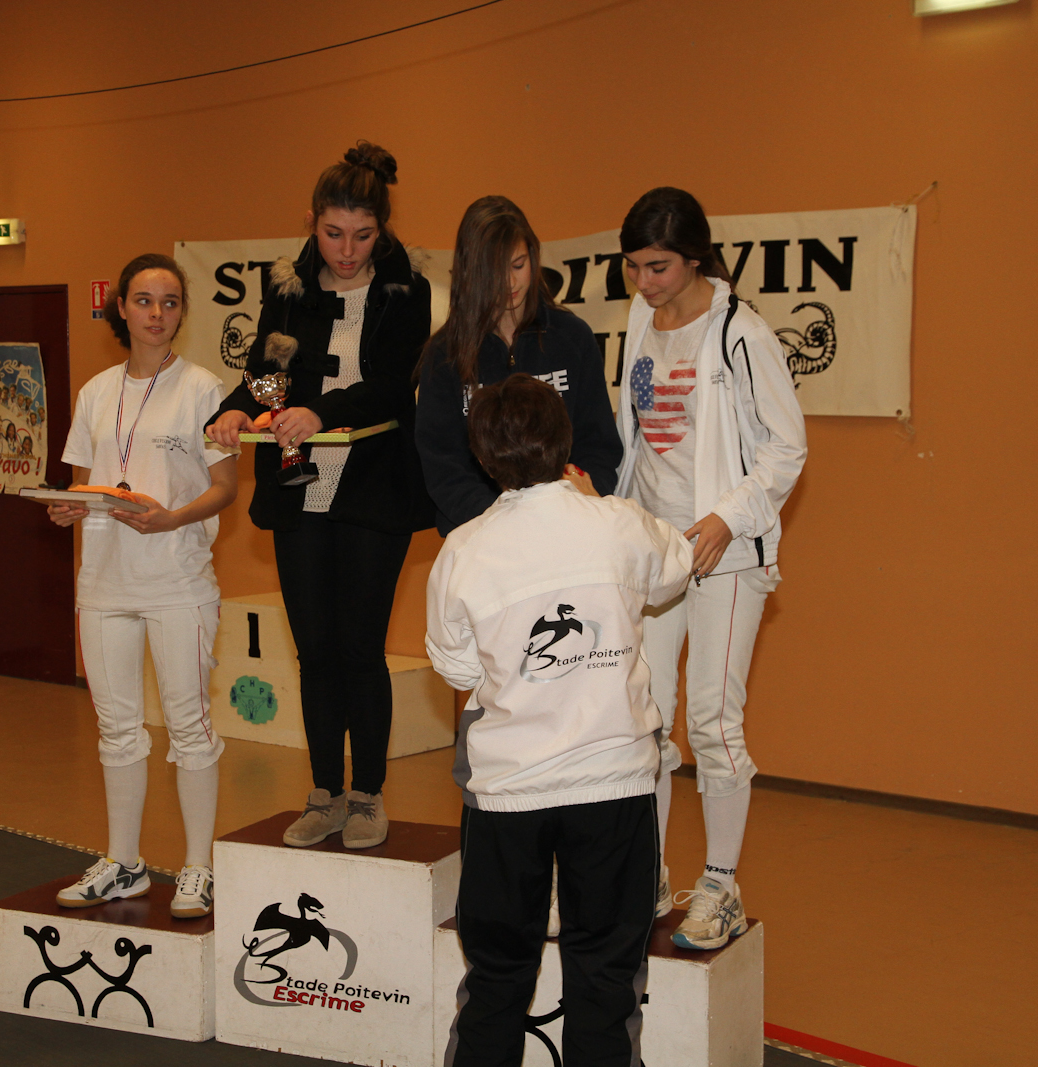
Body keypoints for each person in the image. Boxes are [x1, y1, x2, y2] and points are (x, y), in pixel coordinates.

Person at [425, 374, 692, 1067]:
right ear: (566, 441)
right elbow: (676, 567)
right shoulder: (618, 523)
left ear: (482, 456)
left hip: (508, 792)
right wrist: (593, 505)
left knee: (497, 975)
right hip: (613, 786)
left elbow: (456, 667)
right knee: (606, 974)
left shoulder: (463, 548)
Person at [206, 142, 434, 850]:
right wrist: (237, 409)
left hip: (373, 485)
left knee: (361, 648)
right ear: (312, 223)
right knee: (314, 650)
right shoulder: (287, 288)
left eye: (362, 235)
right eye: (333, 233)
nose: (347, 250)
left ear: (382, 229)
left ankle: (367, 795)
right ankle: (324, 792)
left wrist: (321, 412)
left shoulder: (406, 290)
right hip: (299, 482)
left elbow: (393, 386)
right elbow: (268, 375)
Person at [613, 187, 807, 949]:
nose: (644, 282)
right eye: (633, 267)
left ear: (695, 258)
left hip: (726, 556)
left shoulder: (740, 333)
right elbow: (636, 438)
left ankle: (721, 886)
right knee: (645, 718)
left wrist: (728, 515)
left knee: (711, 724)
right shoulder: (639, 320)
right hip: (656, 551)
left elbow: (787, 447)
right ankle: (651, 875)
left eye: (658, 267)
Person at [48, 253, 237, 918]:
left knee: (190, 728)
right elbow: (85, 481)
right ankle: (124, 864)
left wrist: (171, 518)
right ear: (121, 308)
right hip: (104, 581)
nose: (157, 313)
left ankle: (198, 868)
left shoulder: (205, 388)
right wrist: (68, 506)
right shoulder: (95, 392)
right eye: (144, 300)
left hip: (178, 581)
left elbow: (225, 488)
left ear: (182, 312)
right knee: (117, 730)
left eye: (170, 302)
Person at [416, 195, 623, 536]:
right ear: (470, 272)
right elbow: (442, 464)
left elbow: (598, 446)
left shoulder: (572, 338)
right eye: (494, 271)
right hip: (481, 533)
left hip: (568, 526)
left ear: (533, 257)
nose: (510, 283)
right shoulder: (444, 354)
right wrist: (505, 523)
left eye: (517, 265)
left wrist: (565, 508)